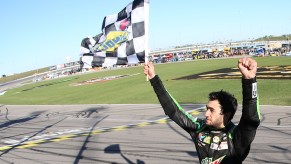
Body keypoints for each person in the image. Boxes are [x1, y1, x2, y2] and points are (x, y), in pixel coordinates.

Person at [143, 57, 261, 164]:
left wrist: (249, 81)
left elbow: (250, 119)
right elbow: (173, 111)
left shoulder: (236, 137)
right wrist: (154, 78)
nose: (206, 114)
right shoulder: (199, 128)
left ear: (226, 114)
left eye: (211, 110)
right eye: (206, 109)